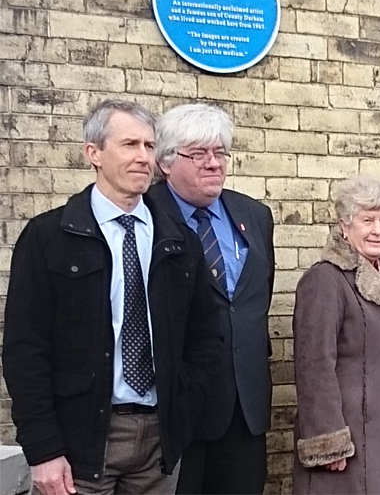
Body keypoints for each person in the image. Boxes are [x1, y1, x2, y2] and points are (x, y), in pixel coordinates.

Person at [2, 100, 221, 495]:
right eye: (129, 145)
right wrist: (43, 449)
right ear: (94, 153)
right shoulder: (49, 237)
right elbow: (25, 350)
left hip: (158, 442)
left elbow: (205, 334)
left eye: (150, 146)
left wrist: (185, 404)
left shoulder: (178, 240)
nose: (143, 158)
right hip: (79, 443)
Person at [148, 104, 275, 495]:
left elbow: (254, 300)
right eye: (198, 154)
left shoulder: (254, 215)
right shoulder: (148, 215)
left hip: (244, 407)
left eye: (219, 153)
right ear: (167, 162)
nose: (213, 164)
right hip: (177, 408)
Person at [292, 175, 380, 494]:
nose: (378, 229)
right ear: (344, 227)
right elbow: (314, 365)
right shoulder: (325, 281)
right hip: (351, 443)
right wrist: (328, 439)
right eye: (367, 220)